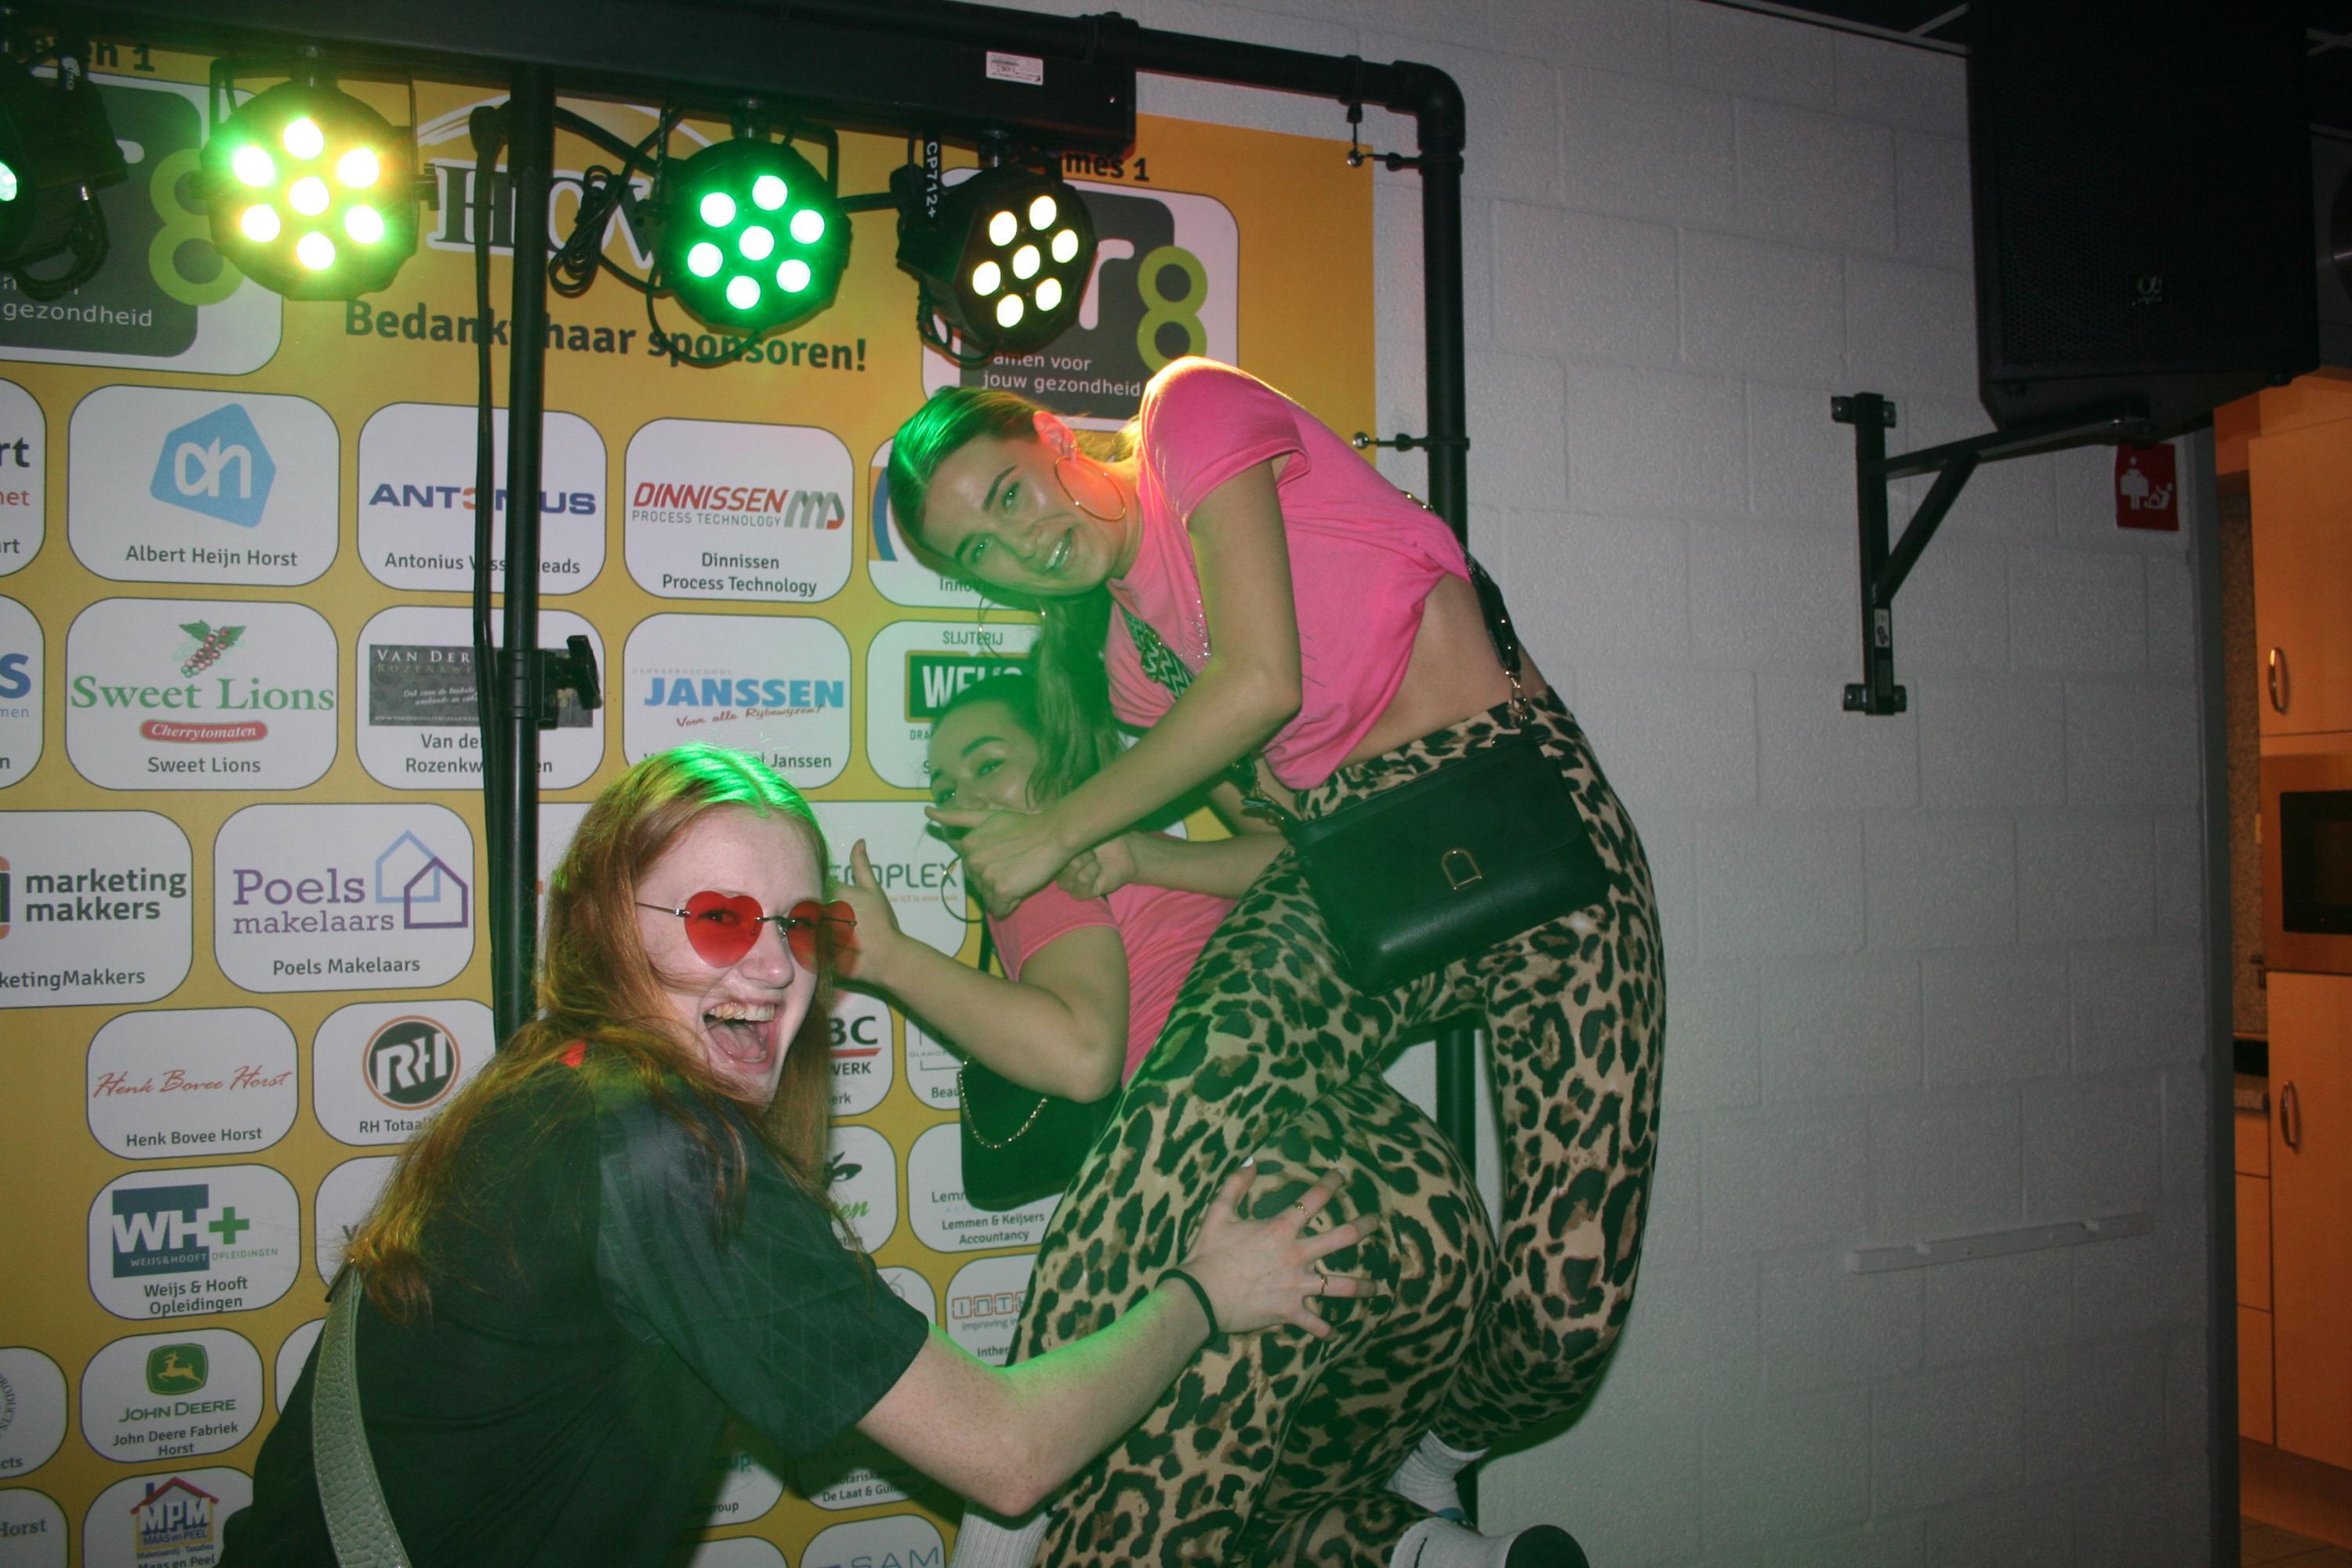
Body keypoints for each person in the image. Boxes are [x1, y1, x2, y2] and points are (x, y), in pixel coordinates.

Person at [220, 744, 1368, 1567]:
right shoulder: (660, 1152)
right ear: (603, 925)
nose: (775, 968)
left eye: (804, 925)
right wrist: (1207, 1292)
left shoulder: (557, 1081)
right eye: (719, 918)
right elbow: (1010, 1452)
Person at [887, 358, 1663, 1567]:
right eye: (978, 554)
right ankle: (1017, 1486)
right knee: (1183, 1102)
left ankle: (1435, 1457)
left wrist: (1059, 829)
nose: (1018, 544)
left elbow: (1262, 683)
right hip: (1368, 864)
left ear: (1051, 435)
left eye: (1007, 495)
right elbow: (1275, 835)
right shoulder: (1137, 666)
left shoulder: (1186, 414)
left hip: (1525, 813)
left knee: (1569, 1321)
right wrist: (1140, 848)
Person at [839, 672, 1510, 1566]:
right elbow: (1304, 863)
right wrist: (1147, 853)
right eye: (943, 782)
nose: (960, 798)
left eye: (987, 763)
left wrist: (890, 957)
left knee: (1147, 1521)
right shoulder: (1139, 852)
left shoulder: (1037, 867)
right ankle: (1436, 1546)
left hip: (1247, 1186)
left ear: (1063, 757)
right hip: (1412, 1183)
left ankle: (1001, 1534)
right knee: (1295, 1503)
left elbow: (1083, 1054)